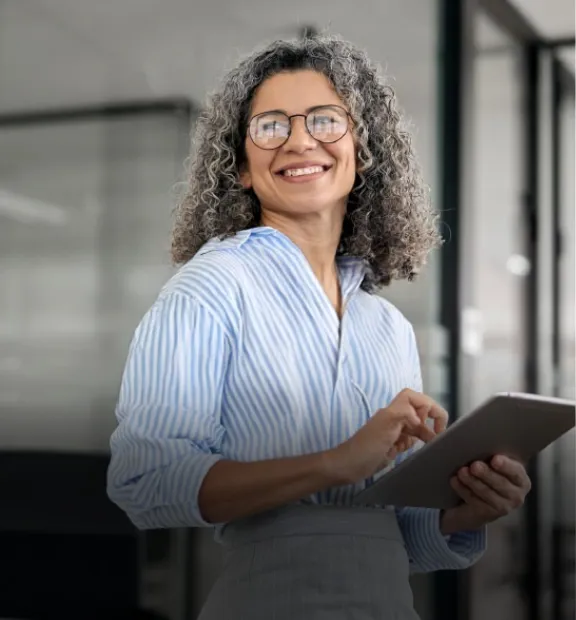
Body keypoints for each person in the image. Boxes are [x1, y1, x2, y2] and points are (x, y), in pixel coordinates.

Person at [106, 34, 532, 619]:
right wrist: (334, 462)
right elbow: (145, 481)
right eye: (271, 126)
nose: (300, 139)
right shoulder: (212, 287)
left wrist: (468, 509)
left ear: (363, 150)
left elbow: (396, 535)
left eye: (325, 120)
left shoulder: (386, 326)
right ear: (240, 168)